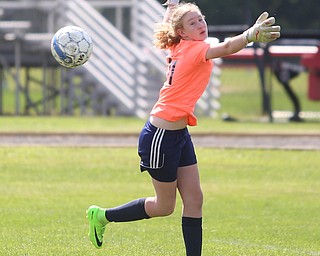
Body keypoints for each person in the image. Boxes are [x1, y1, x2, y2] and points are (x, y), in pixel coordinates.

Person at [86, 1, 281, 255]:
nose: (200, 24)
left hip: (179, 134)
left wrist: (174, 6)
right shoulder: (193, 49)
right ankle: (102, 216)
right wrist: (249, 35)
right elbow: (228, 47)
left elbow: (169, 25)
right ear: (183, 33)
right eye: (193, 23)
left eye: (201, 19)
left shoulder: (179, 43)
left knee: (195, 199)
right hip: (160, 137)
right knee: (163, 206)